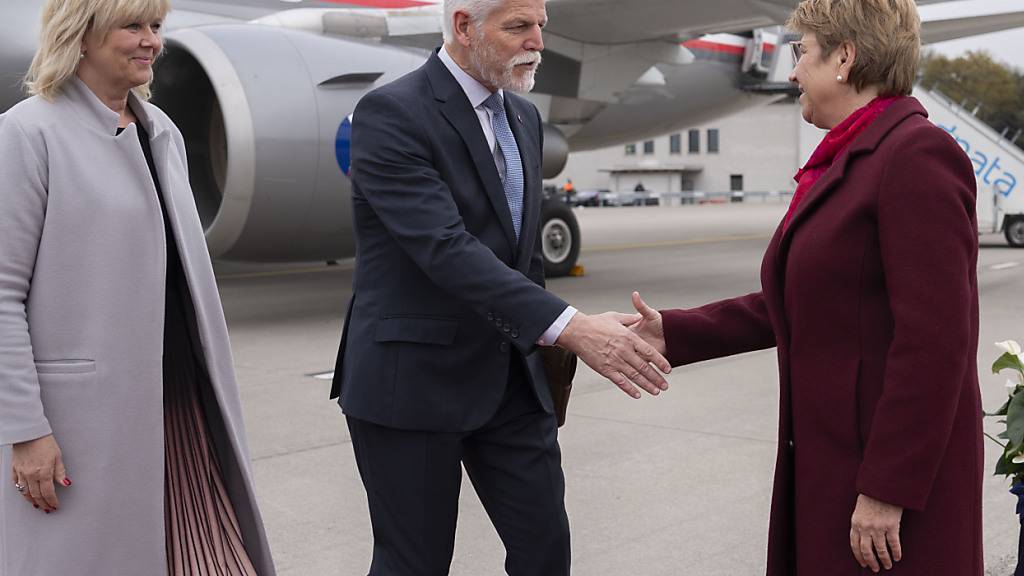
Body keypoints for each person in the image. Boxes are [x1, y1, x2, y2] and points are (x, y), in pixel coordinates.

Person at [627, 0, 981, 574]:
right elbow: (803, 299)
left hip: (884, 485)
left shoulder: (914, 155)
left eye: (801, 53)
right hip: (832, 466)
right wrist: (675, 331)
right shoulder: (855, 156)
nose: (790, 71)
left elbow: (936, 343)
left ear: (843, 58)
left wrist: (888, 487)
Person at [329, 0, 671, 573]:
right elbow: (445, 248)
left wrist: (559, 334)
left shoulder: (523, 117)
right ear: (464, 26)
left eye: (541, 26)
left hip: (512, 383)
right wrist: (572, 326)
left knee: (545, 554)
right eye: (518, 27)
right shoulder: (392, 112)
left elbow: (521, 257)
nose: (536, 41)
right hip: (412, 384)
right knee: (414, 564)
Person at [0, 1, 276, 574]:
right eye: (133, 26)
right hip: (87, 421)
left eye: (156, 27)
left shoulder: (162, 131)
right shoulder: (28, 132)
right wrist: (25, 430)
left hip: (182, 404)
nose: (151, 41)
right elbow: (2, 294)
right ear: (81, 36)